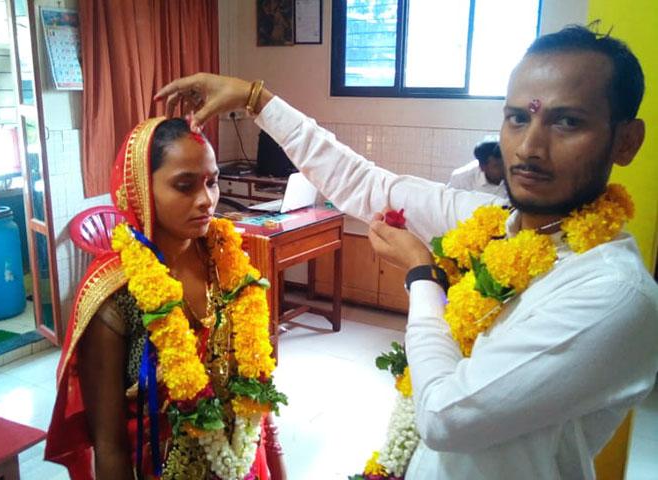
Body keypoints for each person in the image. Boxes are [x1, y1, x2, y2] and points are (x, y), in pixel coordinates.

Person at [155, 25, 658, 479]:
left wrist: (423, 276)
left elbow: (444, 415)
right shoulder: (499, 226)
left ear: (625, 142)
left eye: (567, 122)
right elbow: (365, 183)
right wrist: (256, 98)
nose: (530, 147)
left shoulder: (612, 291)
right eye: (516, 118)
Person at [45, 117, 286, 479]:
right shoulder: (114, 295)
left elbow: (256, 390)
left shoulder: (227, 262)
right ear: (140, 187)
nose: (207, 200)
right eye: (185, 186)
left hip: (244, 459)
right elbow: (109, 445)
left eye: (212, 182)